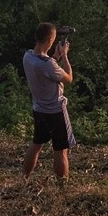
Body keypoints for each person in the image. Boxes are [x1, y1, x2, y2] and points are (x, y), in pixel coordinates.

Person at [22, 22, 75, 180]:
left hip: (39, 109)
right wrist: (65, 55)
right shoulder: (48, 65)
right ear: (51, 40)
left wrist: (56, 56)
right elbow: (68, 78)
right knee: (61, 149)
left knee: (36, 144)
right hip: (55, 111)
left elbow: (47, 68)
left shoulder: (28, 57)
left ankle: (25, 177)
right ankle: (61, 184)